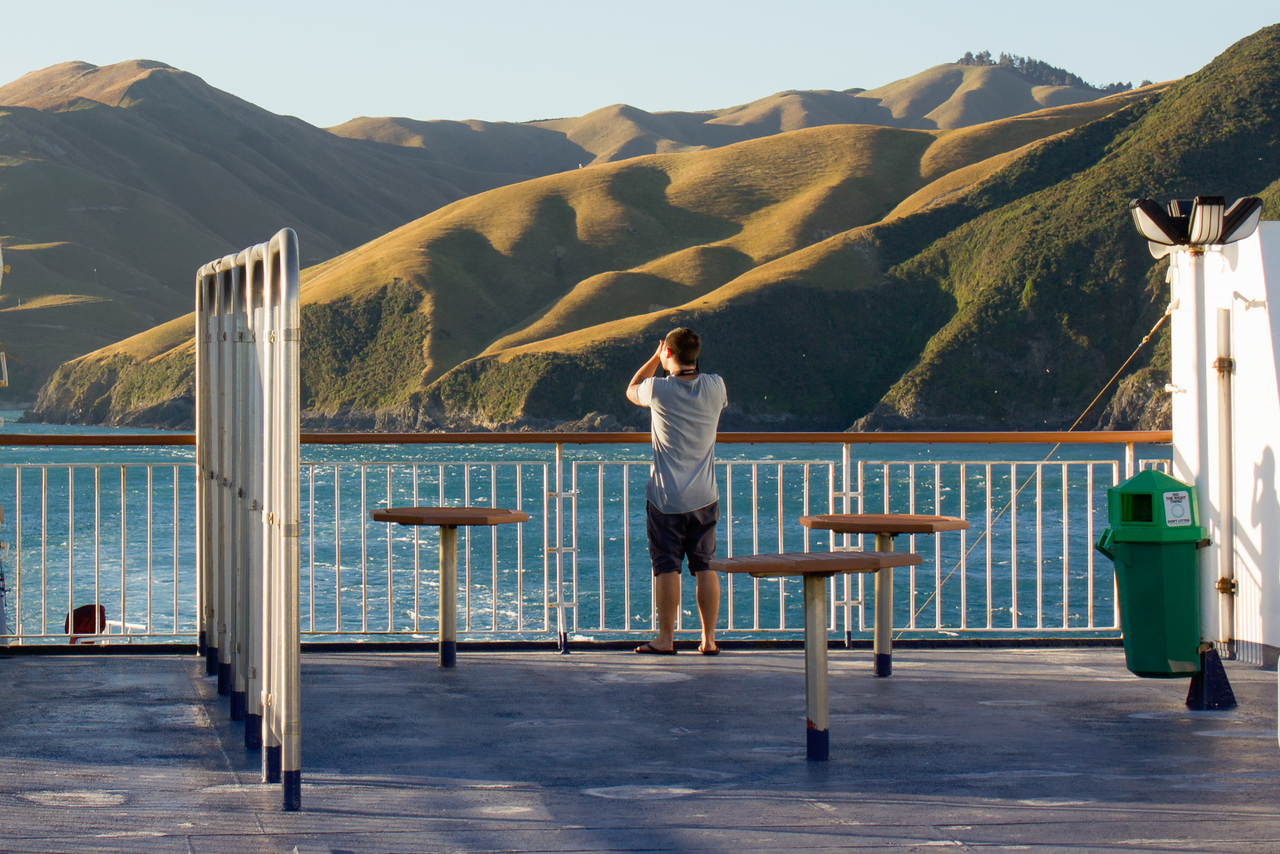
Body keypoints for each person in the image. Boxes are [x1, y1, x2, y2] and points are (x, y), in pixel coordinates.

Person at [626, 327, 728, 655]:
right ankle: (709, 640)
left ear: (668, 353)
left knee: (666, 566)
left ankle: (665, 639)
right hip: (705, 494)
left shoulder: (658, 390)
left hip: (666, 497)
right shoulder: (716, 385)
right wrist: (672, 357)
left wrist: (656, 358)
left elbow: (631, 389)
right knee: (705, 565)